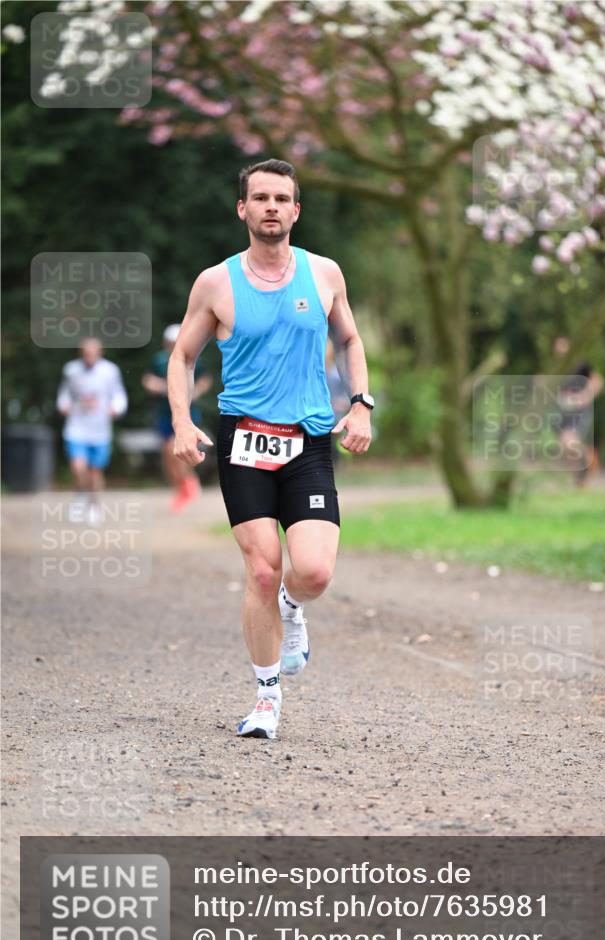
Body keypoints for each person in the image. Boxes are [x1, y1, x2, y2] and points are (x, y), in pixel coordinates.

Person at [168, 158, 373, 739]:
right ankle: (266, 697)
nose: (271, 207)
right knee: (261, 570)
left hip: (307, 438)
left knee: (312, 572)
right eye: (260, 198)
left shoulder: (325, 273)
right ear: (243, 209)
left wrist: (361, 403)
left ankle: (293, 606)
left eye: (282, 198)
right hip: (244, 440)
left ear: (296, 209)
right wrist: (182, 421)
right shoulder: (216, 282)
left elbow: (350, 338)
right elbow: (182, 357)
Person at [56, 336, 127, 524]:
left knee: (95, 472)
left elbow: (119, 396)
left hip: (100, 430)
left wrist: (116, 408)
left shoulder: (110, 371)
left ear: (100, 353)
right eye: (86, 354)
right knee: (78, 467)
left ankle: (94, 505)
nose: (89, 357)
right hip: (76, 428)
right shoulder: (71, 370)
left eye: (93, 353)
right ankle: (80, 498)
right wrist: (63, 405)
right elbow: (65, 394)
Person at [142, 324, 212, 512]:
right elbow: (148, 379)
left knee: (175, 450)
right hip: (165, 413)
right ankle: (182, 487)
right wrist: (158, 386)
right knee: (168, 456)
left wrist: (196, 391)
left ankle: (188, 483)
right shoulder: (159, 360)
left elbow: (205, 379)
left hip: (187, 414)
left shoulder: (192, 358)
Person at [556, 362, 605, 486]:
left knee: (569, 443)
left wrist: (585, 396)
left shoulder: (580, 365)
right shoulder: (553, 363)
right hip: (561, 415)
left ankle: (588, 459)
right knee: (566, 448)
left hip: (578, 414)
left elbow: (598, 381)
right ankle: (579, 480)